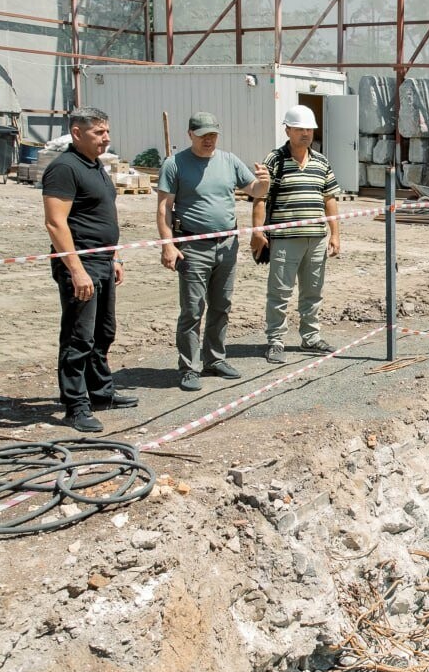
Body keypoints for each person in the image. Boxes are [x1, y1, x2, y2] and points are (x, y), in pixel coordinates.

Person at [157, 112, 270, 391]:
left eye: (213, 135)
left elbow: (255, 190)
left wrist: (264, 181)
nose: (209, 140)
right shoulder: (175, 164)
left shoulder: (229, 161)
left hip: (227, 244)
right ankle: (189, 367)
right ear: (190, 134)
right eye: (203, 135)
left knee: (221, 305)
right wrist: (168, 244)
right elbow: (164, 208)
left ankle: (215, 359)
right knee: (192, 309)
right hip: (193, 246)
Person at [41, 107, 137, 433]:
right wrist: (77, 270)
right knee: (78, 338)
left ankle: (100, 392)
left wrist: (115, 258)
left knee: (103, 333)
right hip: (80, 265)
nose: (106, 138)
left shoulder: (95, 166)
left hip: (103, 263)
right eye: (98, 132)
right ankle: (75, 405)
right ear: (77, 133)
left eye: (107, 131)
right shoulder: (63, 169)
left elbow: (102, 216)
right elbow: (55, 223)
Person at [250, 105, 342, 364]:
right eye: (300, 129)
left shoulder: (321, 162)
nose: (305, 133)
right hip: (285, 239)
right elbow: (259, 198)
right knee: (279, 292)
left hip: (316, 238)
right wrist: (258, 232)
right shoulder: (274, 161)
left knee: (313, 291)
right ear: (287, 129)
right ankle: (276, 340)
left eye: (309, 129)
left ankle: (310, 337)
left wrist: (335, 234)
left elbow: (330, 199)